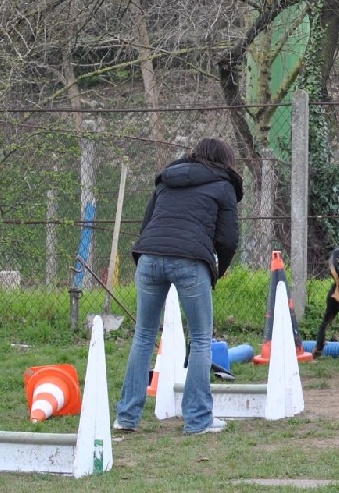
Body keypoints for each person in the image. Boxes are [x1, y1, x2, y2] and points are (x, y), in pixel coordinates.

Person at [113, 137, 243, 434]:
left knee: (143, 336)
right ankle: (198, 420)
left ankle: (126, 417)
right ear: (226, 162)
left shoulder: (166, 180)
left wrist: (149, 258)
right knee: (200, 340)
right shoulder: (223, 186)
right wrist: (220, 268)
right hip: (190, 260)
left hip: (149, 257)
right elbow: (227, 238)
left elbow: (147, 225)